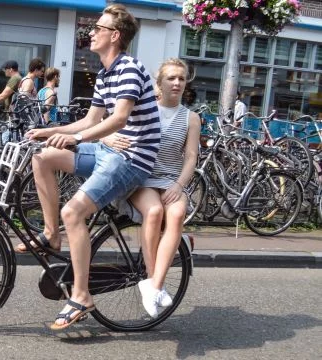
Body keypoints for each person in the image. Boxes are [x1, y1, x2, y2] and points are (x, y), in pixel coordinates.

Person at [25, 3, 160, 330]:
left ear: (114, 35)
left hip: (132, 158)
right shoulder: (104, 72)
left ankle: (82, 295)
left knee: (72, 213)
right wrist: (51, 131)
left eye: (98, 28)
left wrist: (77, 139)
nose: (91, 32)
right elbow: (90, 119)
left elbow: (119, 118)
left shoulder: (129, 67)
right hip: (107, 152)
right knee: (41, 156)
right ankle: (50, 234)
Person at [105, 58, 200, 319]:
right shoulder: (146, 109)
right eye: (171, 78)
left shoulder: (191, 118)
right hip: (143, 176)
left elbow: (191, 156)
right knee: (155, 211)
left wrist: (180, 185)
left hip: (171, 179)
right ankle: (150, 278)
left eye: (181, 78)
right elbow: (111, 126)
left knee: (177, 214)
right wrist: (108, 138)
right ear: (159, 84)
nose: (177, 83)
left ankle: (155, 285)